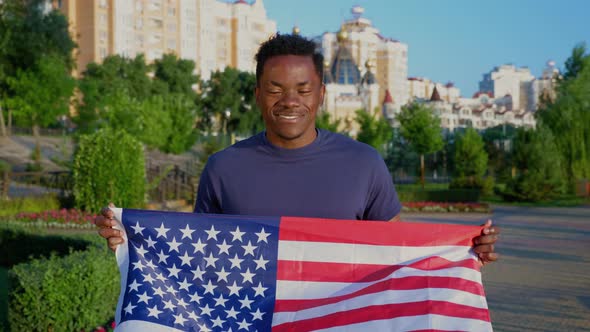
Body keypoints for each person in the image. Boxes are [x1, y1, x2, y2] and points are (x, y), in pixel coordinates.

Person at [96, 33, 499, 264]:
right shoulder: (223, 168)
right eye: (275, 88)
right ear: (257, 94)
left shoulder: (363, 163)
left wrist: (462, 254)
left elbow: (400, 254)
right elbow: (200, 260)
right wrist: (130, 244)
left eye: (303, 89)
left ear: (322, 94)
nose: (290, 100)